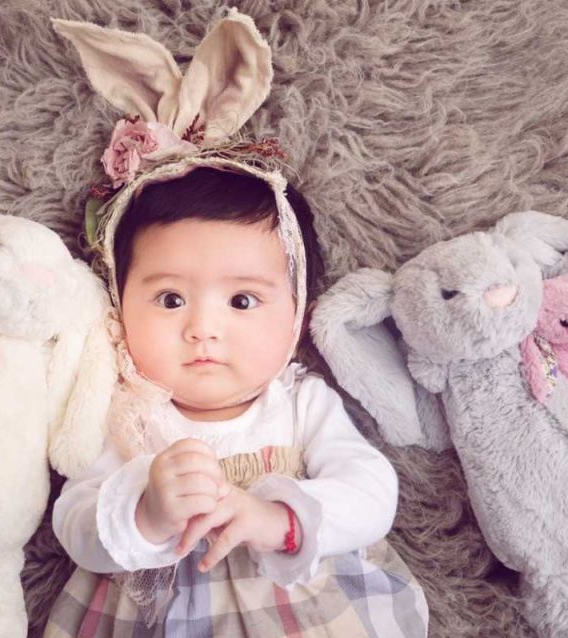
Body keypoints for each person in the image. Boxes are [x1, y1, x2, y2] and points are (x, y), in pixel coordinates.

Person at [45, 10, 428, 637]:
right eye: (170, 299)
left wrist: (280, 520)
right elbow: (75, 525)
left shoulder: (300, 404)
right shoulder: (126, 417)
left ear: (298, 316)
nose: (203, 329)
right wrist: (145, 512)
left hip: (300, 608)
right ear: (118, 306)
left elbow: (370, 490)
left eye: (243, 302)